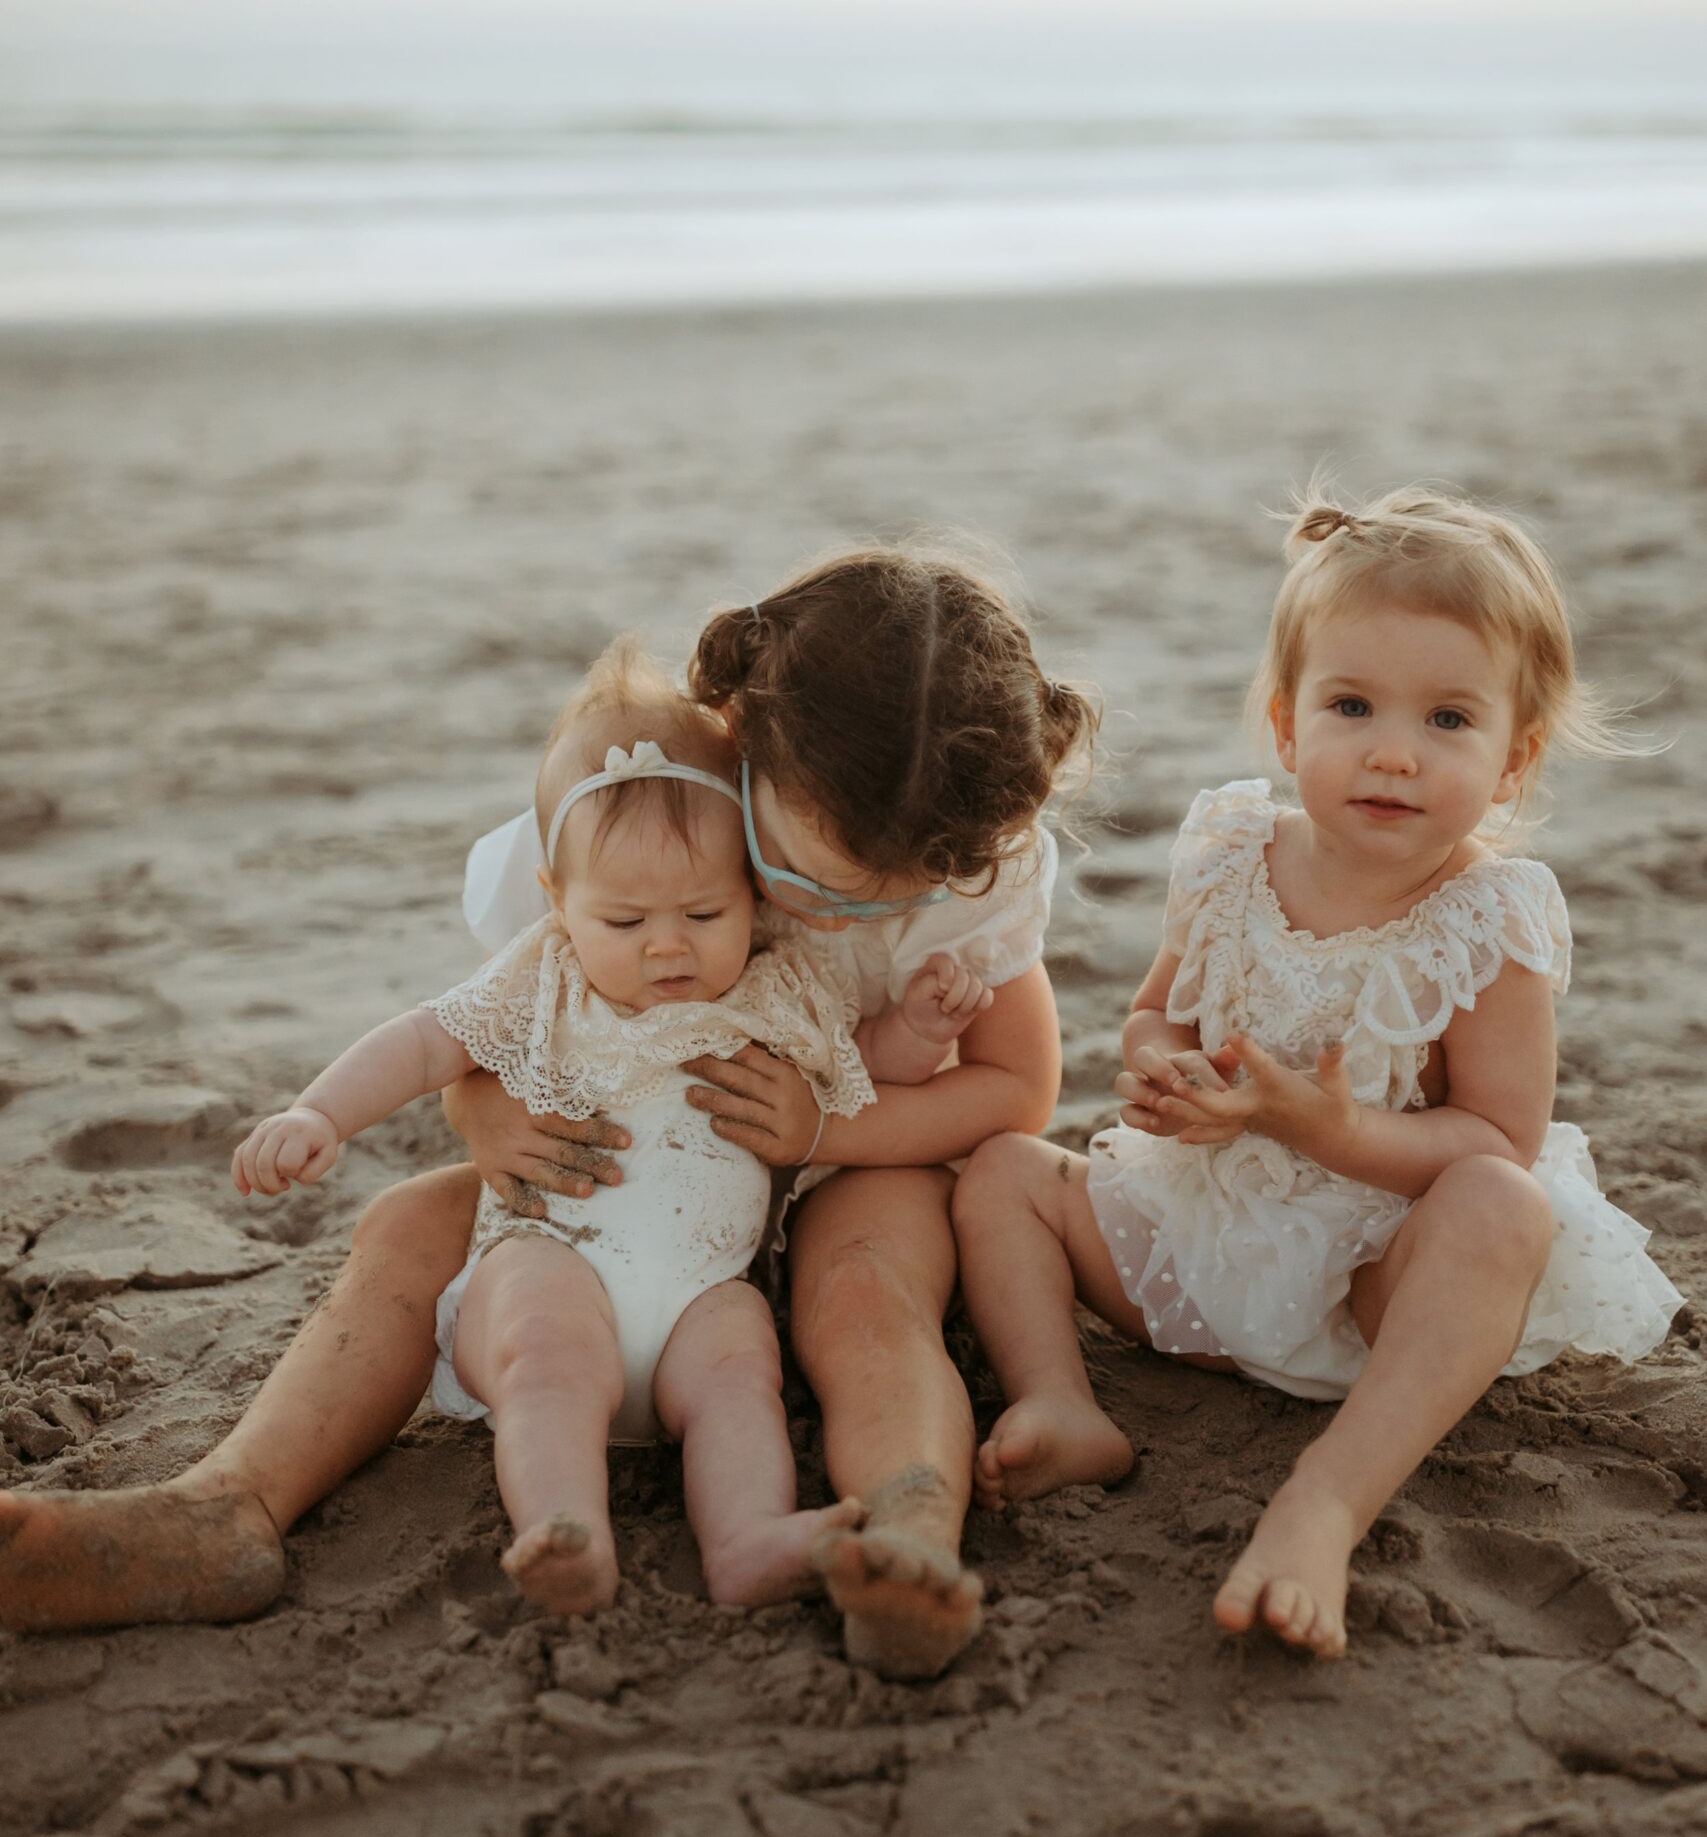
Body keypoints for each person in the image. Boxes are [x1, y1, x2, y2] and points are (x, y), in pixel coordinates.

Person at [0, 547, 1096, 1679]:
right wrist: (481, 1117)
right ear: (739, 739)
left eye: (896, 892)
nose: (845, 910)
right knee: (403, 1230)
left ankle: (908, 1525)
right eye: (812, 878)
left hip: (864, 1145)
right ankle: (226, 1506)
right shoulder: (642, 796)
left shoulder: (967, 857)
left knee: (868, 1284)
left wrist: (830, 1137)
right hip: (622, 1176)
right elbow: (509, 1011)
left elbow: (1019, 1088)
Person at [953, 488, 1682, 1658]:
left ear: (1513, 758)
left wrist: (1330, 1129)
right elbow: (1151, 1017)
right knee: (1000, 1171)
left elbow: (1494, 1136)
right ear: (1290, 729)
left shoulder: (1488, 922)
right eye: (1353, 705)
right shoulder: (1236, 851)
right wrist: (1169, 1081)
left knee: (1504, 1209)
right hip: (1200, 1250)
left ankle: (1328, 1496)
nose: (1394, 750)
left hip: (1373, 1292)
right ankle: (1062, 1400)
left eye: (1450, 719)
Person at [231, 639, 900, 1616]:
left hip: (698, 1294)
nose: (668, 943)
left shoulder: (773, 986)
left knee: (741, 1371)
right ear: (556, 901)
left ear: (753, 893)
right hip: (551, 1259)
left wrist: (918, 1028)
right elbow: (422, 1043)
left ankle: (747, 1538)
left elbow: (870, 1077)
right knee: (548, 1357)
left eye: (703, 911)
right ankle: (564, 1527)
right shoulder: (540, 978)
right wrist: (318, 1110)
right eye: (625, 922)